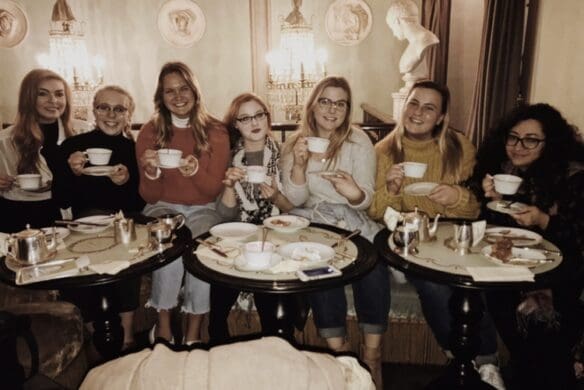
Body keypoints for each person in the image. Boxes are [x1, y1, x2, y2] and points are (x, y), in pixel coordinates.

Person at [368, 80, 504, 389]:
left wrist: (456, 197)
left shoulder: (459, 147)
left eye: (429, 107)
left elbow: (476, 206)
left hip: (453, 239)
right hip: (408, 242)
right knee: (433, 283)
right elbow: (374, 211)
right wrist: (390, 190)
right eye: (413, 103)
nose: (418, 112)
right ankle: (462, 357)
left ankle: (488, 362)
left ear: (441, 116)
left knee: (472, 281)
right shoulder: (383, 151)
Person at [280, 75, 389, 390]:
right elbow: (295, 200)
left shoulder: (359, 141)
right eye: (325, 101)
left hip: (353, 219)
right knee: (318, 266)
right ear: (313, 105)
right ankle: (340, 354)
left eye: (340, 103)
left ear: (347, 109)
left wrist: (352, 191)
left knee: (373, 263)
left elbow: (365, 200)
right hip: (313, 221)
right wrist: (299, 166)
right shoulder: (296, 143)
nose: (332, 109)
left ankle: (372, 356)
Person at [470, 103, 584, 389]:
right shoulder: (504, 171)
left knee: (538, 321)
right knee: (496, 291)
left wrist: (543, 219)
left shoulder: (573, 177)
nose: (518, 146)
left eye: (530, 139)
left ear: (550, 142)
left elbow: (577, 236)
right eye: (513, 137)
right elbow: (496, 230)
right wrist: (493, 200)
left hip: (562, 269)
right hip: (516, 264)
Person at [136, 62, 230, 345]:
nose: (178, 96)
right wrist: (151, 171)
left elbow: (212, 189)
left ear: (195, 90)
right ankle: (163, 326)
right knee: (170, 242)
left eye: (183, 88)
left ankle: (193, 333)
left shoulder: (216, 131)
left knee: (200, 249)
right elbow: (149, 196)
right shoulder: (150, 132)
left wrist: (195, 171)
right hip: (162, 205)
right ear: (161, 97)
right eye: (169, 91)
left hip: (204, 207)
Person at [53, 85, 145, 349]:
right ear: (94, 110)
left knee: (127, 254)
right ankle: (96, 337)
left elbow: (140, 203)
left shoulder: (135, 150)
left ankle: (127, 338)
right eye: (104, 107)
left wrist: (126, 182)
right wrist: (71, 172)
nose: (111, 115)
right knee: (76, 264)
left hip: (124, 222)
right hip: (84, 224)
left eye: (120, 109)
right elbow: (62, 200)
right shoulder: (73, 148)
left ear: (129, 114)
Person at [209, 92, 301, 343]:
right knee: (223, 267)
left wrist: (275, 198)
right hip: (240, 231)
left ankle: (278, 342)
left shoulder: (285, 155)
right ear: (236, 124)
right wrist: (228, 184)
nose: (254, 122)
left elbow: (293, 208)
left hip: (277, 229)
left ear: (267, 118)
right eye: (245, 118)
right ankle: (217, 338)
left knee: (270, 267)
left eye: (259, 115)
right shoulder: (229, 158)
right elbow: (225, 216)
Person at [0, 69, 74, 233]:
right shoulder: (4, 140)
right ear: (28, 98)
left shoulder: (80, 132)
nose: (53, 100)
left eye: (59, 94)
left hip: (67, 219)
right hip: (18, 220)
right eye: (43, 94)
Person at [385, 0, 439, 89]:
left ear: (397, 21)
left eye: (392, 28)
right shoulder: (413, 44)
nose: (394, 34)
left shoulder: (426, 39)